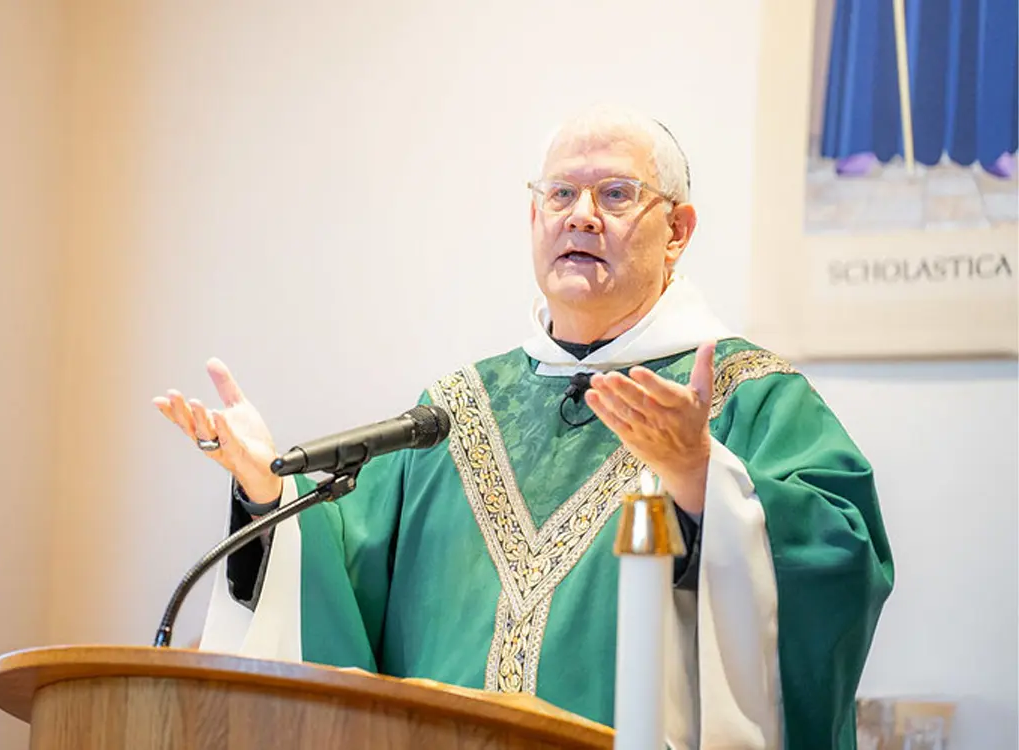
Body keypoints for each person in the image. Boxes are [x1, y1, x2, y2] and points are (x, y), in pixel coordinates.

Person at [153, 107, 893, 749]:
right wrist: (269, 500)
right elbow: (342, 581)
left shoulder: (746, 395)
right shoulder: (450, 412)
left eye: (616, 194)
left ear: (678, 232)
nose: (581, 215)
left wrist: (703, 477)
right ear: (533, 218)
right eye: (560, 194)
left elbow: (840, 566)